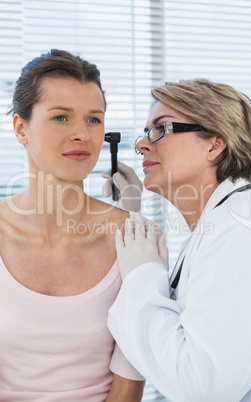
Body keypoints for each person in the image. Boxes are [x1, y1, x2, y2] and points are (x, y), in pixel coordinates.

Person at [107, 79, 251, 401]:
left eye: (161, 129)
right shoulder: (224, 221)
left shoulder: (244, 226)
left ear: (214, 145)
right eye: (146, 132)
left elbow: (203, 387)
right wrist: (130, 215)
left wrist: (143, 272)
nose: (141, 145)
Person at [0, 49, 145, 401]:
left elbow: (129, 381)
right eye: (61, 118)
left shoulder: (136, 239)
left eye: (94, 120)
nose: (82, 134)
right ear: (21, 128)